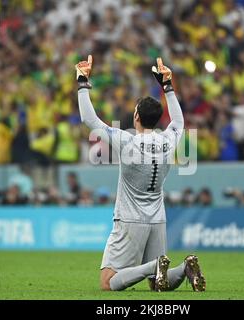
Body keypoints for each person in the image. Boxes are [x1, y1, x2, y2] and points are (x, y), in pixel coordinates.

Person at [76, 55, 205, 292]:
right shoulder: (168, 140)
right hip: (157, 217)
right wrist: (167, 86)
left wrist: (82, 82)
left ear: (136, 117)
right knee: (158, 286)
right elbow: (178, 121)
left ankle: (154, 266)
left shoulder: (127, 142)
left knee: (108, 283)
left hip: (129, 219)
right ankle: (185, 268)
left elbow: (89, 120)